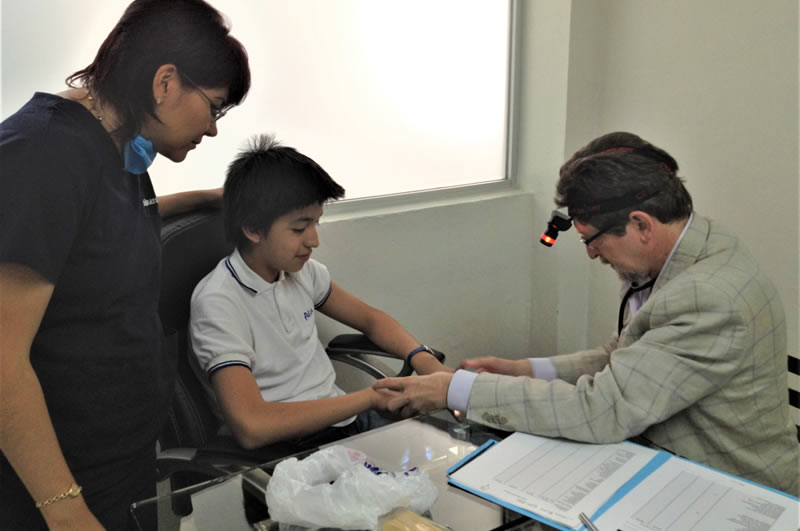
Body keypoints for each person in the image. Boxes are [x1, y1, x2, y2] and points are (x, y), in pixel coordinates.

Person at [374, 131, 799, 496]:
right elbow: (626, 354)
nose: (593, 254)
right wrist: (525, 370)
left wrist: (456, 391)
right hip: (671, 460)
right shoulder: (686, 249)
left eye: (591, 239)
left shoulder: (708, 296)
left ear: (641, 225)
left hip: (734, 489)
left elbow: (603, 409)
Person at [0, 1, 251, 529]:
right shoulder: (41, 154)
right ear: (165, 82)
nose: (212, 129)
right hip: (57, 485)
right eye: (215, 108)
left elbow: (93, 228)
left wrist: (211, 197)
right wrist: (64, 508)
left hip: (121, 461)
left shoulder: (118, 145)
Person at [189, 134, 450, 452]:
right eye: (299, 228)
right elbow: (252, 426)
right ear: (253, 229)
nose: (313, 240)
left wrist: (424, 360)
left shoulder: (300, 272)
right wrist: (370, 398)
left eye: (316, 224)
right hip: (289, 449)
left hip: (344, 425)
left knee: (451, 451)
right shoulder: (219, 302)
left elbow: (372, 320)